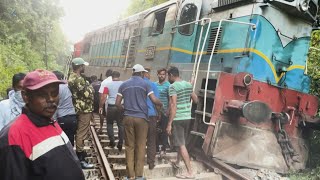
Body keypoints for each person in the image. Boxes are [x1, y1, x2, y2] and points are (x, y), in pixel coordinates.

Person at [0, 69, 85, 180]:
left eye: (54, 93)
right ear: (26, 96)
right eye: (42, 95)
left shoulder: (49, 121)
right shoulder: (14, 136)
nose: (51, 99)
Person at [115, 64, 162, 180]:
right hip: (142, 119)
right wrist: (160, 104)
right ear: (141, 73)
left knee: (129, 146)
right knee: (141, 146)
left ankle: (130, 176)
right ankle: (139, 176)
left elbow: (117, 104)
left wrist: (125, 110)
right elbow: (153, 100)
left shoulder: (124, 85)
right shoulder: (146, 84)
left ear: (132, 72)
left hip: (128, 117)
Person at [166, 66, 198, 179]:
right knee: (181, 141)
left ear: (171, 75)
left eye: (167, 76)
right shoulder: (188, 85)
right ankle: (178, 161)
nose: (167, 78)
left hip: (178, 118)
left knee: (181, 144)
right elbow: (196, 100)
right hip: (187, 117)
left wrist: (169, 123)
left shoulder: (173, 86)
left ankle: (190, 172)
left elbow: (173, 105)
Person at [68, 57, 94, 169]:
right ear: (80, 67)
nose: (84, 67)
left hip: (78, 108)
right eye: (83, 66)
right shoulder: (78, 79)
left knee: (79, 133)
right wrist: (89, 87)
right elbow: (89, 94)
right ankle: (80, 159)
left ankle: (80, 154)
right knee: (81, 133)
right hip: (83, 109)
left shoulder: (73, 77)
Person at [99, 71, 124, 151]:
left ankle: (112, 141)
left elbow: (104, 97)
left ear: (112, 77)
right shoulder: (123, 84)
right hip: (120, 106)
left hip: (111, 107)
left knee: (109, 124)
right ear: (119, 76)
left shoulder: (107, 85)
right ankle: (120, 142)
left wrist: (100, 107)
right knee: (120, 125)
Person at [53, 71, 77, 147]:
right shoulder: (69, 86)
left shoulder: (55, 89)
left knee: (61, 141)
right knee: (70, 139)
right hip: (72, 116)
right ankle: (72, 157)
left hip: (61, 117)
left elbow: (54, 105)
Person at [143, 67, 160, 170]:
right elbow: (156, 101)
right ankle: (151, 163)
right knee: (151, 140)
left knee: (139, 140)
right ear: (148, 74)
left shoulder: (137, 84)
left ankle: (138, 161)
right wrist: (159, 114)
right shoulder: (153, 84)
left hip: (140, 116)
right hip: (152, 115)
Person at [155, 68, 171, 155]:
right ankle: (156, 147)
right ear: (157, 74)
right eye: (160, 74)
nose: (161, 76)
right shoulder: (154, 84)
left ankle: (163, 148)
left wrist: (168, 110)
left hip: (164, 111)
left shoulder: (168, 85)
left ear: (166, 75)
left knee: (164, 130)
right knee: (155, 129)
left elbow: (170, 99)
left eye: (163, 74)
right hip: (155, 111)